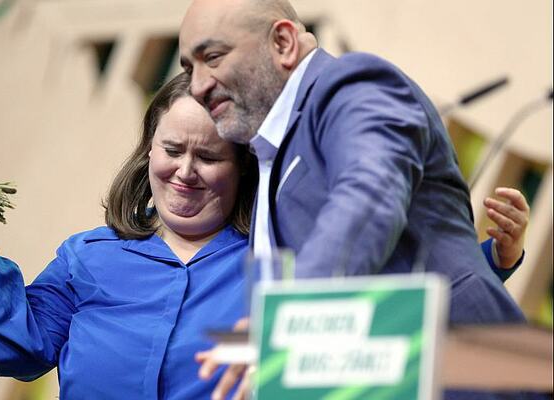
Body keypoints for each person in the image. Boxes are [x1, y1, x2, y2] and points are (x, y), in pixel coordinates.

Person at [0, 72, 528, 399]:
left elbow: (395, 313)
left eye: (208, 156)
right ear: (147, 152)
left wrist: (493, 258)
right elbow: (16, 349)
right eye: (171, 149)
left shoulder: (283, 262)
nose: (184, 171)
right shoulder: (88, 258)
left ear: (242, 170)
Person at [177, 0, 533, 398]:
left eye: (213, 57)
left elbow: (369, 191)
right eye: (189, 69)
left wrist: (288, 319)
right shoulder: (270, 158)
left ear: (283, 43)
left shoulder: (352, 85)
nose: (198, 86)